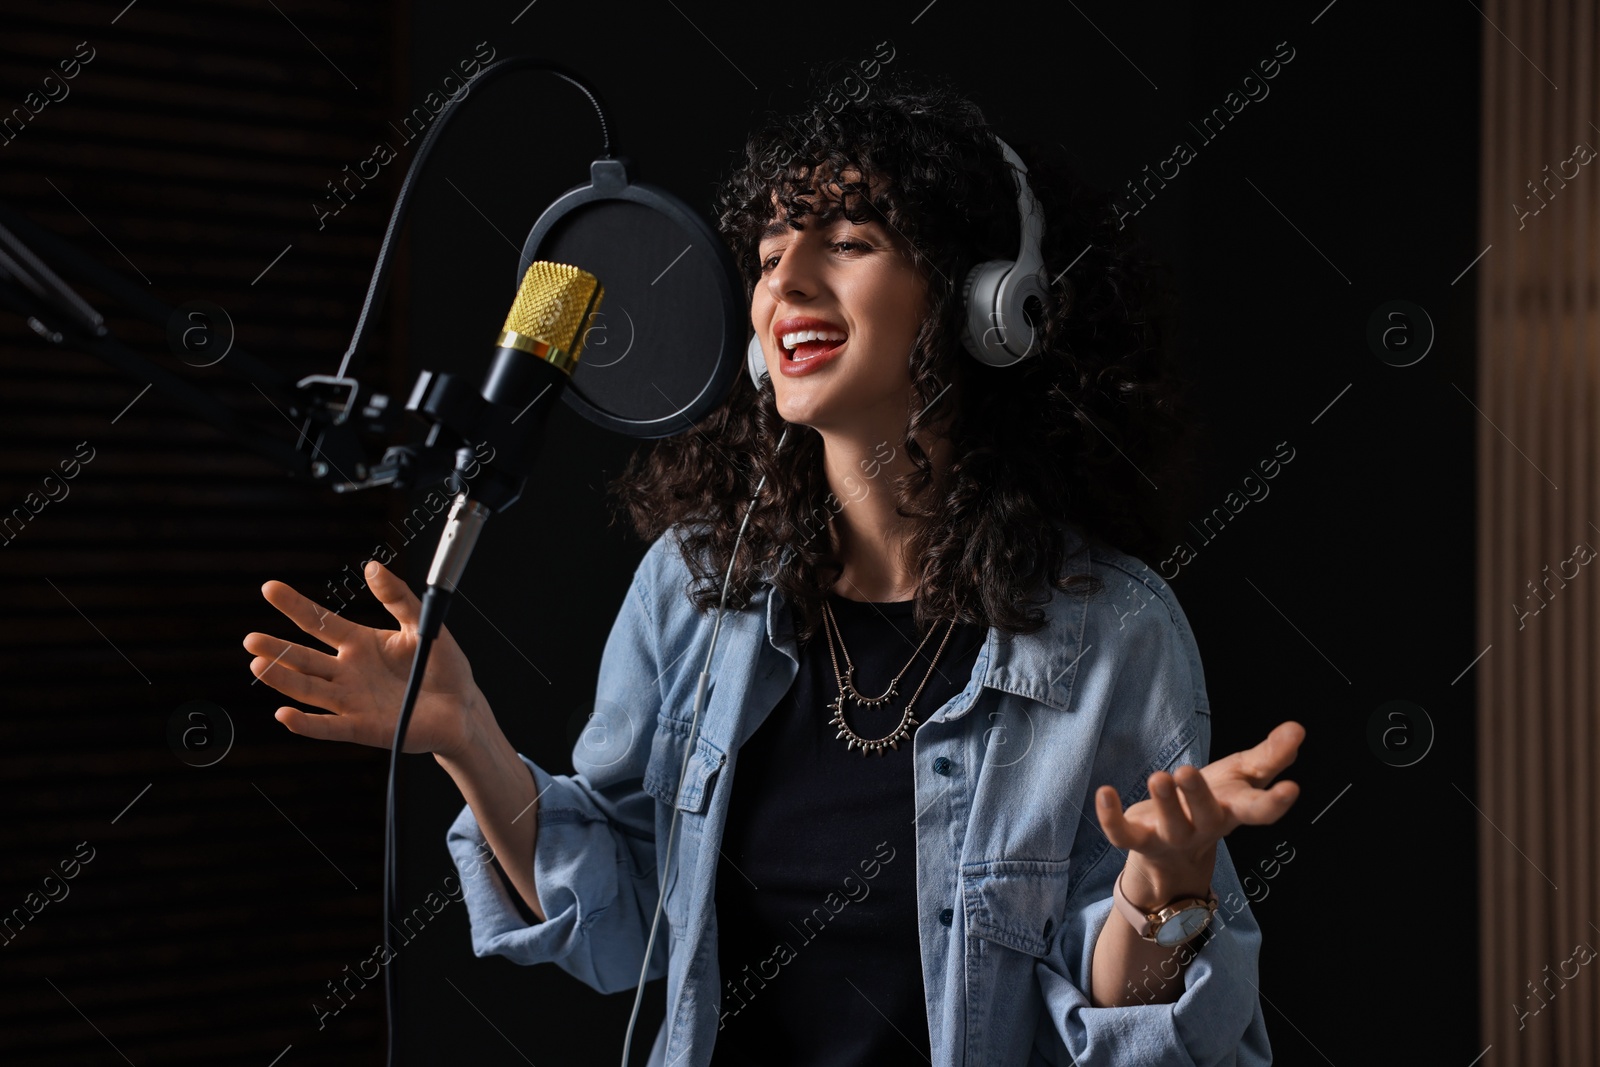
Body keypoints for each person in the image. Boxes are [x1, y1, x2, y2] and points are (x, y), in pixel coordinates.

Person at [243, 66, 1305, 1066]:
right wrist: (467, 736)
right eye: (765, 256)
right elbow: (620, 925)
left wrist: (1165, 887)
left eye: (847, 242)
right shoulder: (693, 587)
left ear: (990, 304)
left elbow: (1124, 1030)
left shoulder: (1111, 629)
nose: (785, 279)